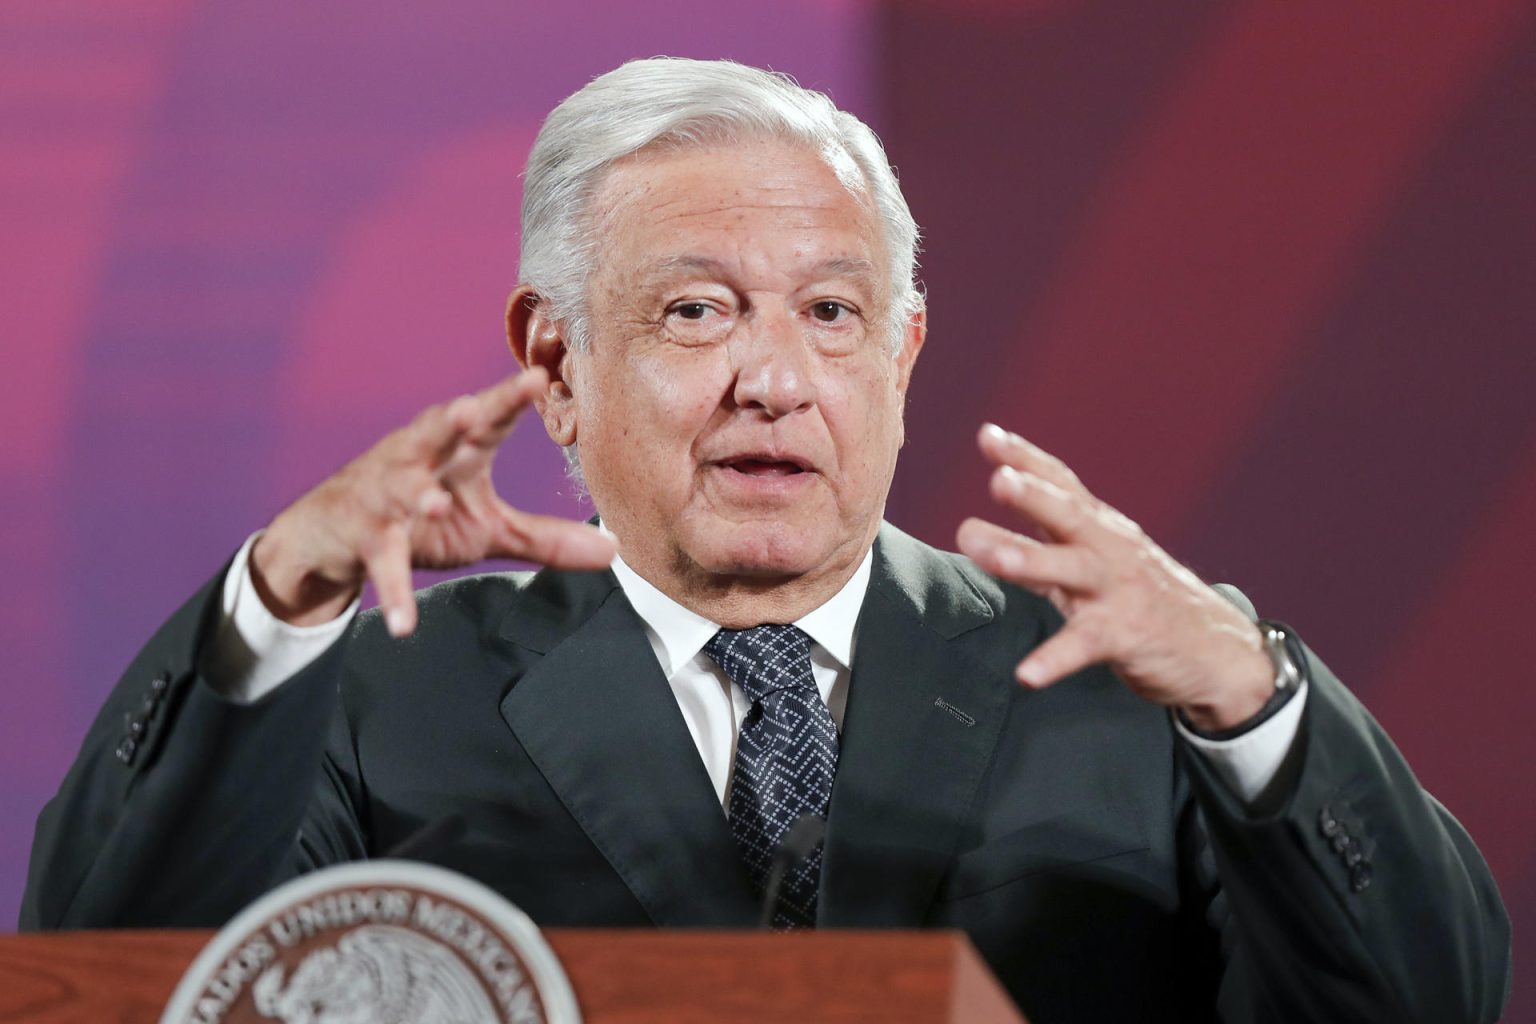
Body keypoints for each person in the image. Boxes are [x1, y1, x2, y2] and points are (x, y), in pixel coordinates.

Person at [22, 58, 1509, 1022]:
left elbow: (1434, 1003)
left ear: (906, 355)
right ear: (554, 365)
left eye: (832, 313)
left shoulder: (1127, 689)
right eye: (696, 310)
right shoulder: (377, 696)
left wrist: (1256, 702)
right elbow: (107, 979)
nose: (774, 378)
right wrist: (279, 602)